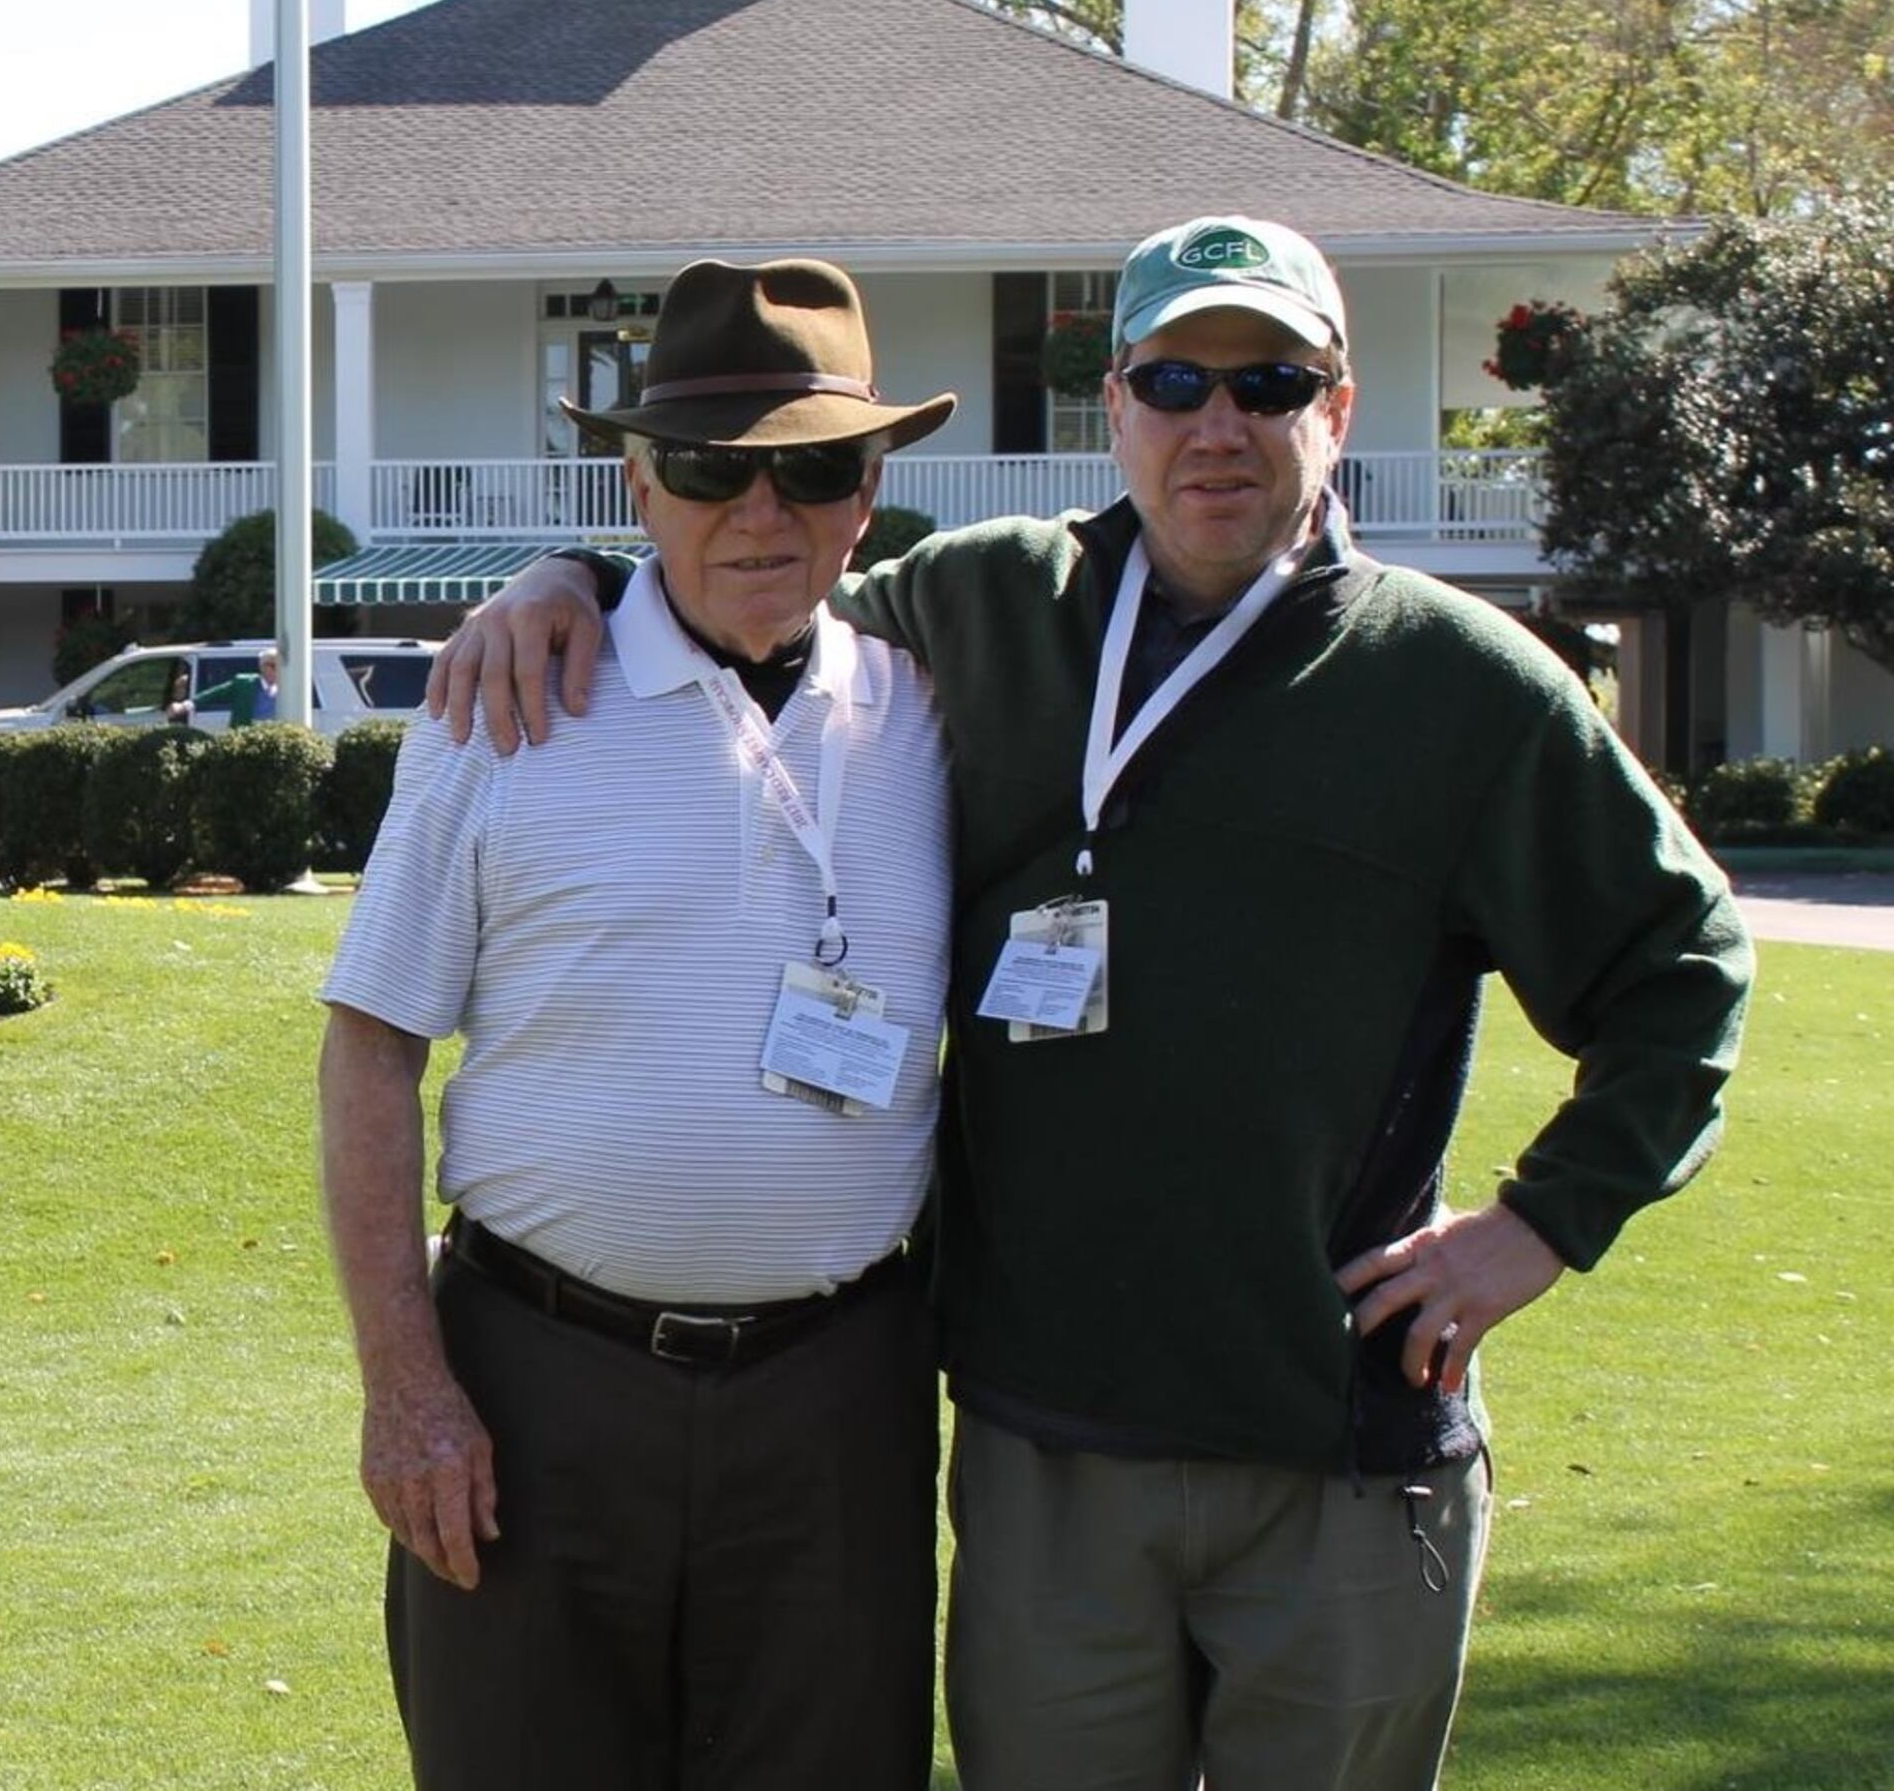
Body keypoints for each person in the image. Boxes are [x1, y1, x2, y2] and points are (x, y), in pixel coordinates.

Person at [424, 216, 1748, 1790]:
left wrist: (1542, 1222)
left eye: (1270, 383)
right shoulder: (985, 610)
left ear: (1338, 405)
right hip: (1045, 1451)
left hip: (1333, 1443)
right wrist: (563, 574)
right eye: (1177, 379)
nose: (1219, 425)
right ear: (1111, 402)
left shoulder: (1462, 686)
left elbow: (1683, 969)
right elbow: (754, 571)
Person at [318, 256, 962, 1786]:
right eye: (707, 468)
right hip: (539, 1391)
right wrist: (407, 1390)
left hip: (841, 1400)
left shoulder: (942, 705)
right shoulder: (505, 706)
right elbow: (370, 1052)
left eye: (809, 470)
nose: (760, 514)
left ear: (868, 488)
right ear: (637, 483)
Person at [176, 646, 284, 727]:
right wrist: (185, 706)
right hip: (248, 738)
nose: (278, 670)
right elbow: (214, 694)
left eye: (280, 666)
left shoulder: (288, 687)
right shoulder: (244, 683)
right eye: (273, 666)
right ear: (262, 667)